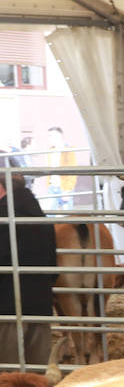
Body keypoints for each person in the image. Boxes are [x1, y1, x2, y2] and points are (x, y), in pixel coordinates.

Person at [0, 175, 57, 367]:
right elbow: (52, 266)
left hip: (6, 307)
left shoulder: (3, 219)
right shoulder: (42, 220)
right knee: (37, 370)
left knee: (9, 373)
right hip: (40, 305)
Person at [42, 126, 77, 210]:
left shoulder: (68, 150)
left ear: (59, 136)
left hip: (64, 187)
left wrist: (67, 190)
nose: (49, 138)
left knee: (67, 216)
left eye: (51, 136)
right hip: (52, 187)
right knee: (48, 214)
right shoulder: (50, 151)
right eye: (48, 136)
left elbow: (73, 171)